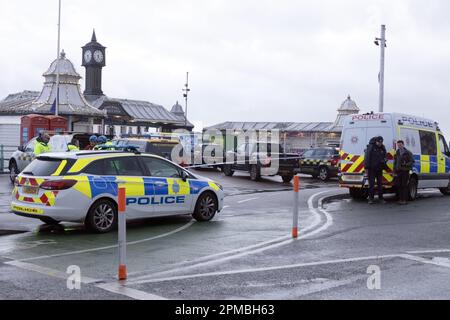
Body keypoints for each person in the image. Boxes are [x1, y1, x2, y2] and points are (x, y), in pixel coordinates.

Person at [364, 136, 387, 204]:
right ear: (376, 141)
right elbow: (367, 157)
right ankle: (371, 199)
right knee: (372, 185)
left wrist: (384, 160)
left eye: (381, 142)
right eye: (379, 142)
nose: (380, 143)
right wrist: (366, 167)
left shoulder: (382, 147)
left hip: (379, 168)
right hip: (372, 169)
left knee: (380, 184)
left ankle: (381, 198)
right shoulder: (371, 147)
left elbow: (384, 156)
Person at [394, 140, 414, 205]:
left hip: (405, 171)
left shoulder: (408, 153)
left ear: (403, 145)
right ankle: (400, 199)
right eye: (398, 145)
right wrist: (394, 170)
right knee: (399, 186)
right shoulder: (397, 153)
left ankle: (404, 200)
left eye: (400, 145)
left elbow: (412, 161)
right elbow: (395, 162)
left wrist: (406, 164)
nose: (399, 146)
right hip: (398, 171)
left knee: (404, 185)